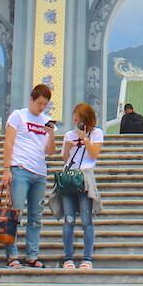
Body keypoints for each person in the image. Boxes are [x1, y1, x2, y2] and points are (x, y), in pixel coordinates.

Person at [1, 83, 56, 268]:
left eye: (45, 104)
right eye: (39, 103)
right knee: (15, 213)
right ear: (31, 99)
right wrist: (6, 169)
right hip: (20, 169)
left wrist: (51, 134)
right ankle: (12, 255)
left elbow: (50, 151)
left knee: (36, 217)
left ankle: (32, 255)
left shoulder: (46, 121)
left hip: (39, 173)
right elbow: (8, 143)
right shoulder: (18, 116)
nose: (42, 107)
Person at [52, 102, 104, 270]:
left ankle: (87, 258)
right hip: (69, 177)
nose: (75, 119)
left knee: (86, 219)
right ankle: (68, 258)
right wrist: (67, 146)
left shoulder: (96, 133)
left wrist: (85, 139)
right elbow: (64, 158)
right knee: (69, 219)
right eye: (75, 116)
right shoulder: (69, 134)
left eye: (79, 117)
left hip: (85, 177)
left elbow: (94, 154)